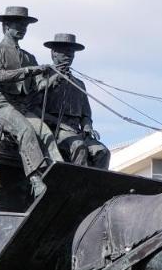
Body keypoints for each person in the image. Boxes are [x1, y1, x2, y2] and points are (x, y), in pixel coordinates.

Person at [0, 6, 55, 197]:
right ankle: (35, 179)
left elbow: (39, 86)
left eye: (25, 25)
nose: (22, 28)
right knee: (26, 130)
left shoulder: (29, 57)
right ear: (6, 26)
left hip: (21, 109)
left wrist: (55, 77)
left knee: (46, 133)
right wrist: (30, 71)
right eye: (17, 24)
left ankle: (56, 174)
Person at [39, 33, 110, 169]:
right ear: (53, 53)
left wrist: (87, 126)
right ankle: (78, 185)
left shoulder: (79, 84)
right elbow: (34, 109)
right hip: (55, 129)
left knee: (103, 151)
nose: (69, 55)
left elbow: (86, 115)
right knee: (78, 147)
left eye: (71, 52)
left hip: (77, 130)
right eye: (64, 51)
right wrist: (59, 125)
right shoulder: (43, 78)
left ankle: (96, 187)